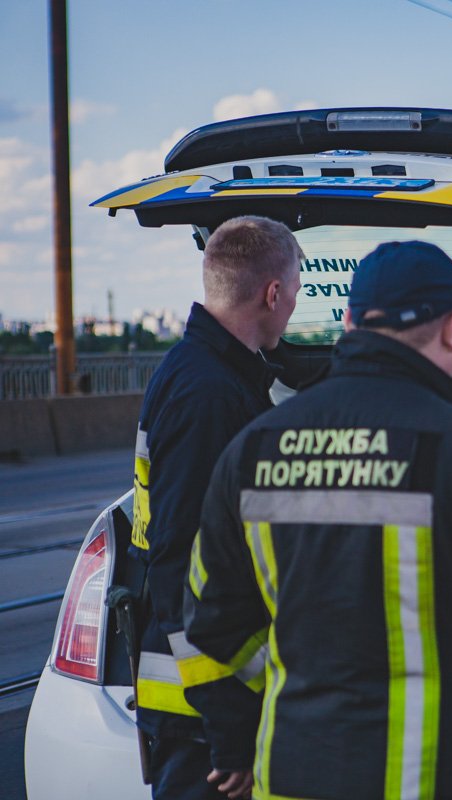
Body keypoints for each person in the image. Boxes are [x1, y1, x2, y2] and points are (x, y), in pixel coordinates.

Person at [183, 240, 452, 800]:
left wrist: (294, 678)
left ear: (350, 324)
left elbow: (210, 613)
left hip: (292, 777)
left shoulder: (253, 449)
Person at [130, 215, 302, 800]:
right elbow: (181, 566)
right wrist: (230, 727)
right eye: (296, 290)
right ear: (272, 294)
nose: (294, 306)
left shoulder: (206, 371)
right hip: (201, 715)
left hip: (201, 702)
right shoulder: (208, 395)